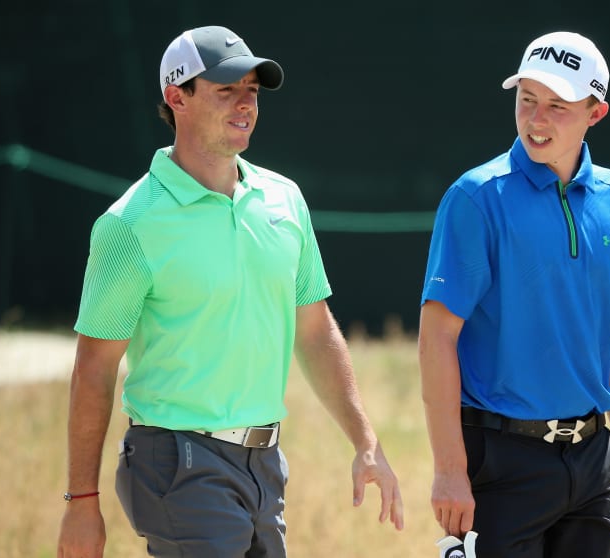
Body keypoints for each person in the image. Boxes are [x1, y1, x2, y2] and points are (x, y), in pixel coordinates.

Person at [57, 25, 403, 558]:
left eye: (253, 91)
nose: (246, 104)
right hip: (177, 460)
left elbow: (314, 330)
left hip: (266, 464)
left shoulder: (284, 201)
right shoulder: (129, 225)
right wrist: (82, 501)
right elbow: (94, 368)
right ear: (177, 98)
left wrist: (366, 441)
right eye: (225, 90)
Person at [418, 31, 610, 557]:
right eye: (526, 100)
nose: (536, 119)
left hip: (594, 467)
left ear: (597, 112)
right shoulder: (476, 198)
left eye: (557, 106)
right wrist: (450, 470)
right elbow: (437, 339)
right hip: (499, 465)